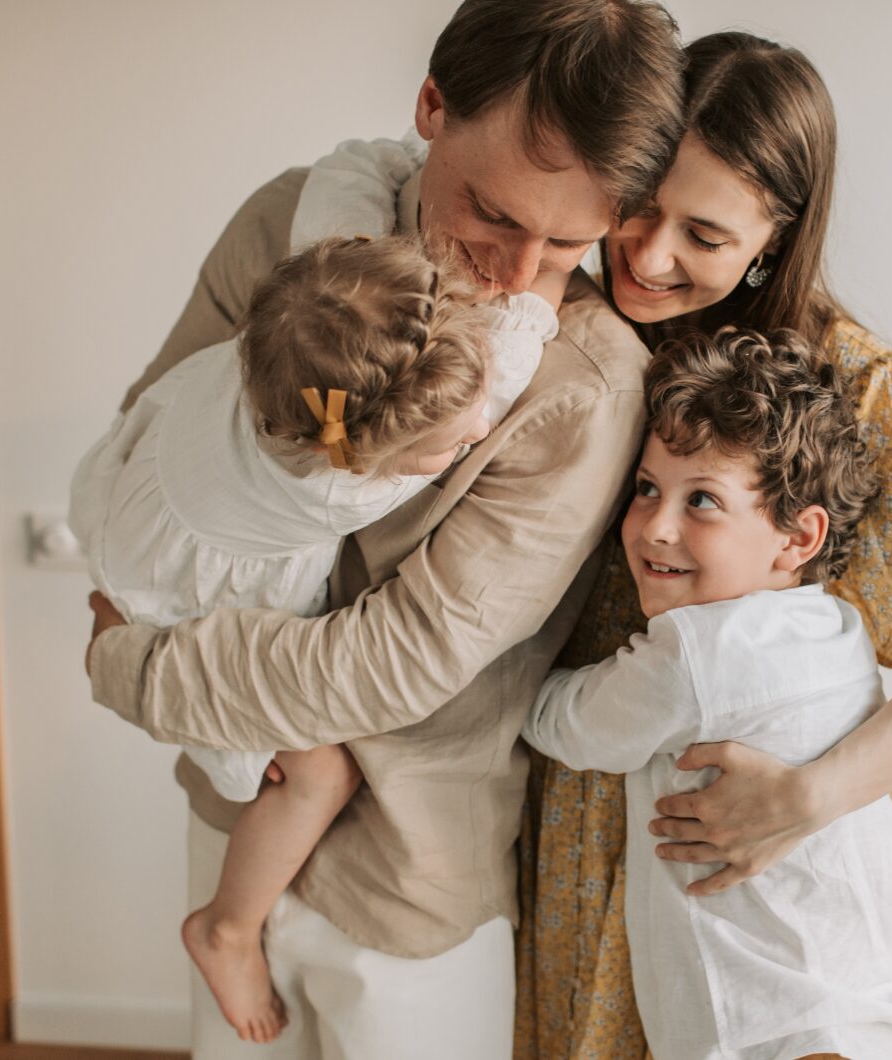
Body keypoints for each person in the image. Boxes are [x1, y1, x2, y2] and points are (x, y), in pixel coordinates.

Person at [82, 1, 686, 1056]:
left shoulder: (585, 384)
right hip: (235, 823)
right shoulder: (284, 224)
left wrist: (140, 667)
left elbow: (402, 659)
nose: (516, 271)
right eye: (490, 215)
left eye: (570, 241)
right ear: (430, 107)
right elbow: (156, 427)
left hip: (411, 883)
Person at [514, 32, 892, 1058]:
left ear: (775, 239)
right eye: (638, 207)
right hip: (568, 838)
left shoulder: (863, 392)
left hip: (741, 866)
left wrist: (802, 799)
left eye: (702, 231)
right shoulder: (557, 329)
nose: (647, 256)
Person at [70, 231, 561, 1043]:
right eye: (449, 447)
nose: (476, 433)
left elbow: (345, 192)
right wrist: (548, 276)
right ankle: (226, 927)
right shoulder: (334, 488)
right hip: (178, 591)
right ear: (365, 458)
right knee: (317, 774)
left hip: (135, 516)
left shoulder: (272, 356)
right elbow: (501, 380)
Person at [524, 327, 892, 1060]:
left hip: (768, 1027)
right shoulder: (838, 628)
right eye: (647, 489)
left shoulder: (697, 654)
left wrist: (518, 659)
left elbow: (563, 723)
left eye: (702, 500)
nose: (657, 527)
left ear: (795, 538)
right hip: (872, 1006)